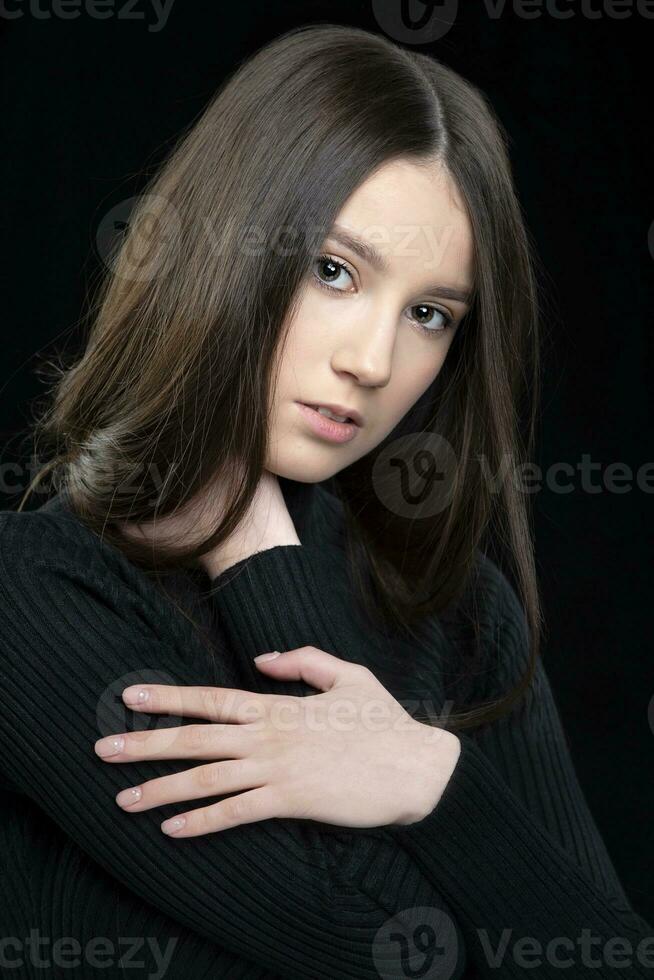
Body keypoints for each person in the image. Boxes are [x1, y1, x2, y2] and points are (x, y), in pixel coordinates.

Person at [1, 22, 650, 980]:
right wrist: (264, 563)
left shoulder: (459, 610)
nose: (374, 361)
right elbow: (369, 943)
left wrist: (431, 778)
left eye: (429, 314)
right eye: (334, 271)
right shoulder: (35, 596)